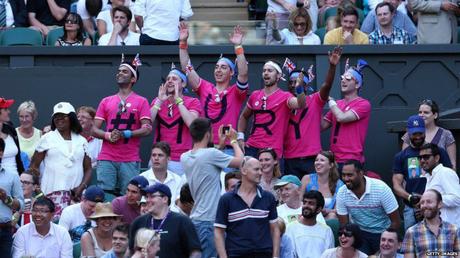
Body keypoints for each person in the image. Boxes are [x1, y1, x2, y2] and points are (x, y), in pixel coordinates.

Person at [179, 22, 249, 156]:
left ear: (231, 73)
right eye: (217, 67)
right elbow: (187, 68)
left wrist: (238, 47)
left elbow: (243, 73)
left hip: (228, 149)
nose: (218, 70)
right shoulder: (205, 87)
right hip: (205, 147)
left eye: (223, 67)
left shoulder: (236, 92)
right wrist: (183, 43)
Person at [181, 118, 243, 258]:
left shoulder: (184, 157)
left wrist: (220, 145)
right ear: (208, 135)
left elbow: (206, 160)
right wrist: (233, 141)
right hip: (209, 221)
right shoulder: (211, 154)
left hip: (196, 219)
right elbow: (240, 161)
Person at [93, 56, 152, 196]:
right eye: (119, 71)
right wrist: (108, 135)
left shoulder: (141, 101)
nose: (119, 73)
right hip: (107, 157)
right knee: (103, 195)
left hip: (130, 158)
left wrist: (126, 134)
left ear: (133, 79)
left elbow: (147, 128)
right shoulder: (106, 101)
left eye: (125, 71)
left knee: (129, 196)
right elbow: (93, 129)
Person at [283, 47, 342, 178]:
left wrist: (332, 66)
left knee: (314, 194)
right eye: (291, 82)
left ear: (305, 86)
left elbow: (326, 85)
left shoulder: (314, 99)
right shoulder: (283, 101)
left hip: (312, 157)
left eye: (298, 83)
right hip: (289, 157)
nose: (294, 85)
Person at [30, 102, 92, 219]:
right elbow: (33, 166)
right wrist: (38, 191)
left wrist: (81, 188)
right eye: (56, 117)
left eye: (63, 116)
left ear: (72, 118)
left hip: (75, 196)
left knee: (75, 230)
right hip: (50, 194)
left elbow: (88, 169)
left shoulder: (82, 141)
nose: (59, 119)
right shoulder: (46, 138)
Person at [392, 115, 452, 230]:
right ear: (407, 132)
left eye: (420, 133)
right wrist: (410, 198)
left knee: (439, 240)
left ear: (424, 130)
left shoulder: (438, 152)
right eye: (414, 134)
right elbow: (396, 184)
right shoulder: (401, 156)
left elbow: (449, 175)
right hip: (412, 208)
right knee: (412, 243)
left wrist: (433, 200)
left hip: (436, 206)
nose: (418, 136)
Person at [237, 60, 306, 159]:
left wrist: (299, 88)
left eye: (270, 70)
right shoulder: (255, 95)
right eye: (264, 70)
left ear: (278, 76)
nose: (266, 73)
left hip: (273, 150)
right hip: (252, 147)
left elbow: (301, 104)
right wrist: (240, 137)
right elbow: (244, 116)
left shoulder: (285, 96)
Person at [215, 156, 280, 257]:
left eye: (261, 169)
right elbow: (218, 231)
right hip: (235, 253)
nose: (260, 173)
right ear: (244, 171)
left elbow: (275, 229)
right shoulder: (226, 199)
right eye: (256, 169)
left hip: (263, 254)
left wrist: (276, 256)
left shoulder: (268, 197)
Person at [336, 160, 400, 255]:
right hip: (360, 234)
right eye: (343, 175)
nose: (345, 179)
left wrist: (379, 253)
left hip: (383, 232)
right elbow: (345, 225)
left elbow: (396, 222)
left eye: (350, 175)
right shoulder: (342, 192)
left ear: (361, 173)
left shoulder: (381, 188)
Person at [321, 59, 371, 172]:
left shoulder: (363, 104)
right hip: (334, 159)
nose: (343, 81)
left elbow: (342, 117)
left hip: (351, 159)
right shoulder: (338, 104)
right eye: (342, 78)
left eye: (348, 78)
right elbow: (321, 126)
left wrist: (330, 102)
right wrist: (316, 104)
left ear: (357, 84)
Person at [150, 67, 201, 176]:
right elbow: (147, 125)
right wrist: (159, 101)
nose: (169, 81)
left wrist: (178, 101)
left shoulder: (193, 102)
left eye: (174, 78)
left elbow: (192, 124)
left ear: (183, 84)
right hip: (158, 157)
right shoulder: (157, 101)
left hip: (181, 159)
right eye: (168, 79)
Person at [129, 183, 202, 258]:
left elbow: (195, 252)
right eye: (147, 197)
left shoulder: (182, 222)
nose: (147, 200)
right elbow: (131, 251)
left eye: (152, 196)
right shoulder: (138, 222)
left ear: (165, 199)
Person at [401, 189, 460, 256]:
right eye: (422, 203)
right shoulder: (411, 232)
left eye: (429, 202)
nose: (425, 205)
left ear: (440, 204)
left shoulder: (454, 230)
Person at [401, 99, 456, 170]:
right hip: (415, 177)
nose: (422, 115)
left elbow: (452, 165)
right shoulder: (410, 134)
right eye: (420, 112)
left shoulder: (446, 134)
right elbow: (404, 160)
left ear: (435, 115)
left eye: (426, 112)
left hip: (438, 178)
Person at [420, 143, 460, 227]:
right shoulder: (429, 176)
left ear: (437, 158)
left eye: (426, 157)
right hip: (437, 229)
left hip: (451, 229)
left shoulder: (446, 172)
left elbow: (457, 198)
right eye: (420, 157)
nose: (422, 160)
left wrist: (432, 200)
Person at [285, 190, 334, 258]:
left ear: (319, 209)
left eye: (311, 203)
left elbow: (330, 255)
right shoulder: (290, 228)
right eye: (305, 202)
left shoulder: (326, 230)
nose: (306, 206)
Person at [300, 151, 344, 219]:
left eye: (322, 160)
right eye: (316, 160)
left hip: (327, 217)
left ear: (330, 165)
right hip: (308, 215)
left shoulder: (339, 184)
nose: (318, 163)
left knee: (332, 216)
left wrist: (327, 211)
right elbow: (299, 202)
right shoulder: (306, 179)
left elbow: (338, 209)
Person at [0, 137, 24, 258]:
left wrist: (6, 199)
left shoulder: (12, 176)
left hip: (4, 230)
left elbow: (21, 204)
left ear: (1, 153)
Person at [0, 97, 24, 175]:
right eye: (5, 109)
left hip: (16, 180)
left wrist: (22, 175)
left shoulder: (11, 129)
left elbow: (18, 159)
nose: (9, 111)